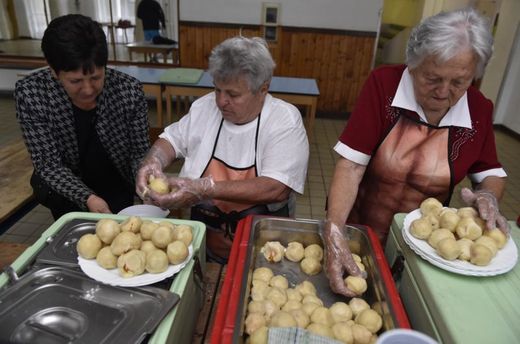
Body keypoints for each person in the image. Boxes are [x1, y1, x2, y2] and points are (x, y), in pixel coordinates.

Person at [324, 7, 509, 297]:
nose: (443, 92)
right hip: (360, 231)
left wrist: (487, 195)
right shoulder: (384, 86)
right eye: (432, 78)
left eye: (459, 82)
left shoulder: (478, 109)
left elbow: (491, 174)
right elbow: (351, 166)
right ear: (413, 64)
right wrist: (335, 232)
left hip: (425, 249)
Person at [136, 36, 309, 263]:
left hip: (265, 253)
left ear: (263, 89)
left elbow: (275, 188)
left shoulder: (283, 121)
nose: (220, 101)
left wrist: (204, 188)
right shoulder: (204, 108)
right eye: (217, 90)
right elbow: (171, 140)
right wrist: (153, 161)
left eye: (233, 94)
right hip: (205, 244)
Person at [15, 14, 150, 220]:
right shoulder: (33, 94)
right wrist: (87, 197)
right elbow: (48, 163)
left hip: (117, 183)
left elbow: (138, 153)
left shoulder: (128, 90)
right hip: (66, 188)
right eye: (76, 81)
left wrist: (145, 184)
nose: (88, 89)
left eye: (96, 77)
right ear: (53, 71)